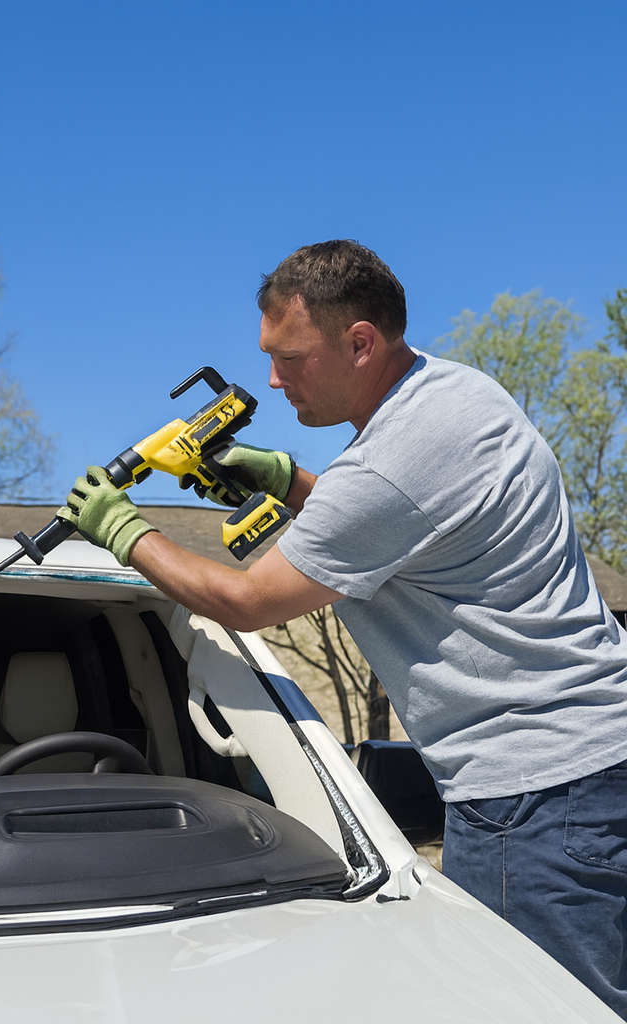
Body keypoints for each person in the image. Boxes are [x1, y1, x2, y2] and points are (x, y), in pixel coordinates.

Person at [58, 239, 627, 1018]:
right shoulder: (458, 394)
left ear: (360, 342)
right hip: (593, 763)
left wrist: (125, 531)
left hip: (529, 796)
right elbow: (409, 522)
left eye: (289, 357)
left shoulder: (388, 464)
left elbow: (245, 601)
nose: (271, 378)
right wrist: (290, 481)